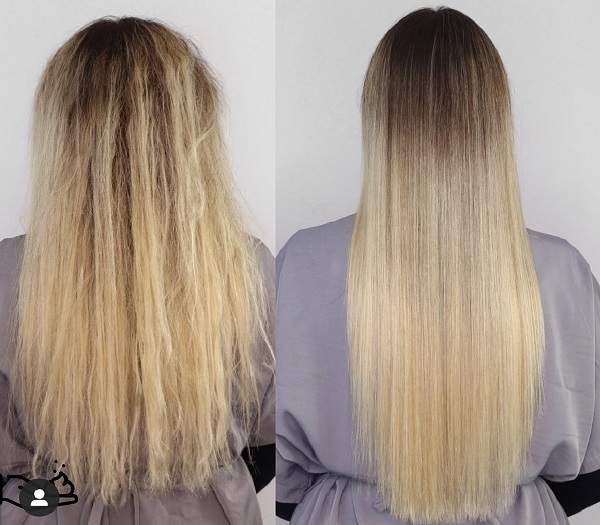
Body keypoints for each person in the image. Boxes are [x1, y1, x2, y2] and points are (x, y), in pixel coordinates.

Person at [275, 7, 599, 524]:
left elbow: (280, 476)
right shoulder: (563, 274)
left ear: (377, 115)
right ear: (495, 118)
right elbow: (585, 475)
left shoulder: (303, 263)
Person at [0, 17, 274, 524]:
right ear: (192, 131)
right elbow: (266, 447)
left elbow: (8, 465)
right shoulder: (249, 271)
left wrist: (45, 502)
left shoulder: (10, 273)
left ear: (61, 132)